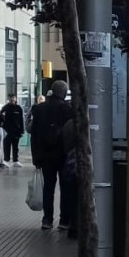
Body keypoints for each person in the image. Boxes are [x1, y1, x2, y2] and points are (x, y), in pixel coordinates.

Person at [29, 80, 74, 230]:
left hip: (45, 156)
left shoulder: (40, 109)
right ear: (63, 93)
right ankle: (64, 220)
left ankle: (47, 219)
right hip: (63, 155)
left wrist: (36, 157)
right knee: (66, 189)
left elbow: (34, 135)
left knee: (48, 188)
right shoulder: (67, 109)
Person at [2, 94, 25, 166]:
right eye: (10, 98)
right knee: (7, 145)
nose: (12, 99)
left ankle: (15, 160)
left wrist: (22, 130)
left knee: (15, 146)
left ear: (15, 98)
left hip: (16, 131)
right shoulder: (5, 108)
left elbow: (22, 119)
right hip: (7, 130)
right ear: (8, 99)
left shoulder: (19, 108)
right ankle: (6, 160)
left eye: (13, 97)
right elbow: (2, 118)